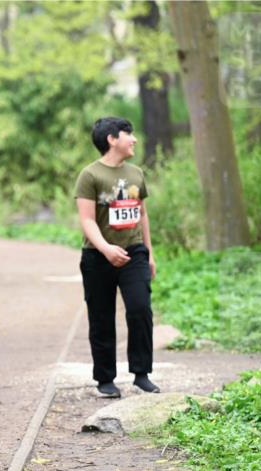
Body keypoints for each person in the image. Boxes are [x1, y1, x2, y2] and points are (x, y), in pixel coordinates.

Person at [75, 116, 159, 398]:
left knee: (140, 310)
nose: (134, 139)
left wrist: (149, 253)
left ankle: (141, 374)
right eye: (128, 134)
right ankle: (105, 380)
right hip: (98, 256)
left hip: (134, 253)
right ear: (112, 139)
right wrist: (106, 249)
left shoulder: (136, 173)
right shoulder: (90, 175)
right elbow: (87, 220)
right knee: (101, 316)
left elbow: (142, 214)